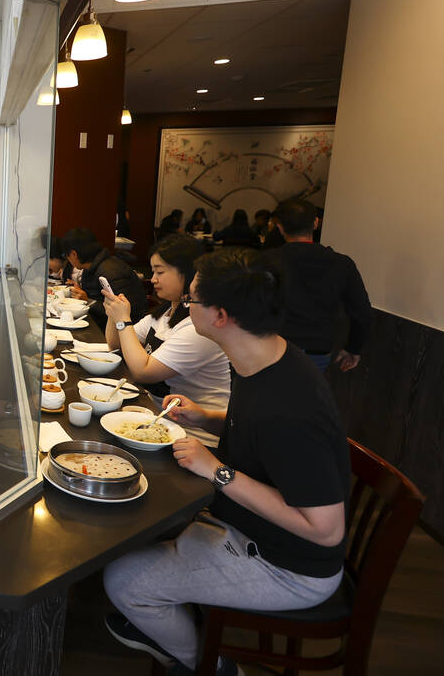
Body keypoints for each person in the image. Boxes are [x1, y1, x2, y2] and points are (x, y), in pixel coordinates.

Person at [103, 248, 350, 676]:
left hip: (290, 568)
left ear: (220, 316)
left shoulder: (291, 408)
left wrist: (216, 471)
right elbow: (254, 429)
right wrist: (204, 416)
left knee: (123, 581)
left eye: (193, 300)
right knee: (136, 532)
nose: (186, 308)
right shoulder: (265, 354)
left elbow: (326, 530)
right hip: (244, 525)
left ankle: (213, 666)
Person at [102, 234, 230, 415]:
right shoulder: (164, 313)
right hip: (154, 412)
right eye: (153, 272)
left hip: (191, 432)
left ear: (187, 273)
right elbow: (116, 346)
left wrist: (123, 319)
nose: (153, 279)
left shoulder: (198, 327)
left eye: (160, 272)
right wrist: (113, 313)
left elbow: (143, 371)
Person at [268, 198, 372, 371]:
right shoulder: (342, 264)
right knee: (305, 397)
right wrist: (354, 347)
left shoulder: (266, 261)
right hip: (317, 349)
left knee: (266, 397)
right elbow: (363, 313)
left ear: (280, 228)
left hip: (272, 346)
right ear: (315, 223)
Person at [61, 228, 147, 326]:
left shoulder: (111, 271)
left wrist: (88, 301)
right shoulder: (92, 266)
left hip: (124, 331)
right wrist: (81, 292)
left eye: (66, 255)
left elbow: (125, 311)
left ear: (73, 254)